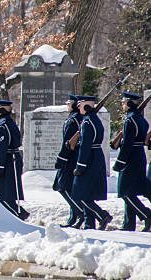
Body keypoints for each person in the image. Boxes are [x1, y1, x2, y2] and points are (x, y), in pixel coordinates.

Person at [71, 95, 112, 230]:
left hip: (89, 159)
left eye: (80, 105)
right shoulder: (92, 120)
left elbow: (85, 146)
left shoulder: (88, 122)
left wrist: (80, 166)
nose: (78, 107)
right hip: (95, 156)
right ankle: (90, 223)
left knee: (80, 193)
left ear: (86, 106)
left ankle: (102, 215)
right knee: (86, 193)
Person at [113, 92, 151, 231]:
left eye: (124, 102)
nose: (122, 105)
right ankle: (128, 224)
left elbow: (128, 144)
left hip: (131, 158)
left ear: (129, 103)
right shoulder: (139, 119)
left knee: (125, 192)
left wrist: (120, 162)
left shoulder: (131, 120)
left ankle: (146, 214)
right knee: (130, 192)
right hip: (138, 156)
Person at [0, 99, 29, 221]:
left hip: (9, 160)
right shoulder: (8, 122)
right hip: (12, 159)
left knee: (2, 194)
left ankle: (20, 215)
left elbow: (2, 149)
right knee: (7, 192)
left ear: (1, 110)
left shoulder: (3, 125)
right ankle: (18, 214)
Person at [53, 94, 85, 228]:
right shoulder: (77, 118)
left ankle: (80, 213)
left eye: (68, 103)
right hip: (74, 156)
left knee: (63, 187)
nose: (67, 105)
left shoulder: (73, 120)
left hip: (70, 157)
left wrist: (61, 158)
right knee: (68, 187)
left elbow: (68, 142)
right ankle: (74, 217)